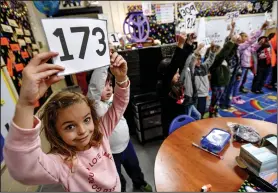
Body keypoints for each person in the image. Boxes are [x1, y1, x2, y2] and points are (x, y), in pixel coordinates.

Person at [4, 51, 130, 192]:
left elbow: (118, 105)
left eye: (87, 120)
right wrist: (26, 104)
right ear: (56, 132)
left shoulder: (101, 133)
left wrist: (121, 78)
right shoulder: (62, 163)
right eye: (70, 126)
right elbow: (24, 169)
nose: (82, 130)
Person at [87, 67, 152, 192]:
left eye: (110, 84)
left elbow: (122, 93)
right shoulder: (94, 107)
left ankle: (140, 183)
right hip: (110, 152)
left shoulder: (113, 98)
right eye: (103, 85)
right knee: (116, 177)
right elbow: (93, 92)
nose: (108, 88)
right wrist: (102, 64)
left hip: (127, 145)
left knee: (134, 168)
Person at [158, 34, 195, 137]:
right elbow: (174, 65)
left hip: (180, 119)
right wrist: (180, 44)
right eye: (175, 73)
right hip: (170, 124)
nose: (178, 75)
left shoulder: (176, 83)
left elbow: (181, 63)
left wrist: (189, 43)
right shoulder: (164, 86)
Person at [208, 38, 239, 117]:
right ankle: (212, 113)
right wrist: (231, 42)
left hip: (223, 82)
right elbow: (222, 55)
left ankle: (215, 111)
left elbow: (230, 53)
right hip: (217, 83)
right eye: (220, 50)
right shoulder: (216, 60)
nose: (222, 51)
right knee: (214, 100)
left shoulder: (224, 60)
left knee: (217, 100)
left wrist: (235, 44)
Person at [237, 21, 269, 93]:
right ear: (241, 38)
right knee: (239, 80)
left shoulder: (247, 46)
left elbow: (253, 48)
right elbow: (251, 40)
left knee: (244, 79)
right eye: (245, 36)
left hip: (247, 65)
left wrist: (259, 44)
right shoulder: (241, 46)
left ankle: (240, 88)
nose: (247, 37)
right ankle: (235, 94)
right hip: (241, 66)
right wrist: (261, 29)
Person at [219, 20, 245, 108]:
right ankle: (222, 103)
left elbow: (239, 62)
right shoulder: (228, 48)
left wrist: (239, 73)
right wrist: (232, 28)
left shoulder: (237, 49)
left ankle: (227, 102)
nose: (237, 41)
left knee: (230, 87)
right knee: (225, 88)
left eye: (238, 40)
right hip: (227, 71)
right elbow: (228, 39)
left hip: (234, 71)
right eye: (236, 40)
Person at [180, 43, 207, 120]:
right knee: (188, 118)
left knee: (197, 115)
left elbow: (191, 61)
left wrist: (197, 50)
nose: (196, 61)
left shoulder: (191, 69)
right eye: (195, 59)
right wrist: (197, 49)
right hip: (187, 99)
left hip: (191, 98)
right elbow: (189, 61)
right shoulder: (185, 70)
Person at [191, 42, 218, 118]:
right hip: (197, 95)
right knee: (196, 112)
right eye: (197, 60)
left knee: (202, 111)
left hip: (204, 93)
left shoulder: (204, 66)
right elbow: (191, 59)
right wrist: (198, 49)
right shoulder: (192, 69)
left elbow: (210, 60)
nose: (199, 61)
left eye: (200, 59)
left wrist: (212, 51)